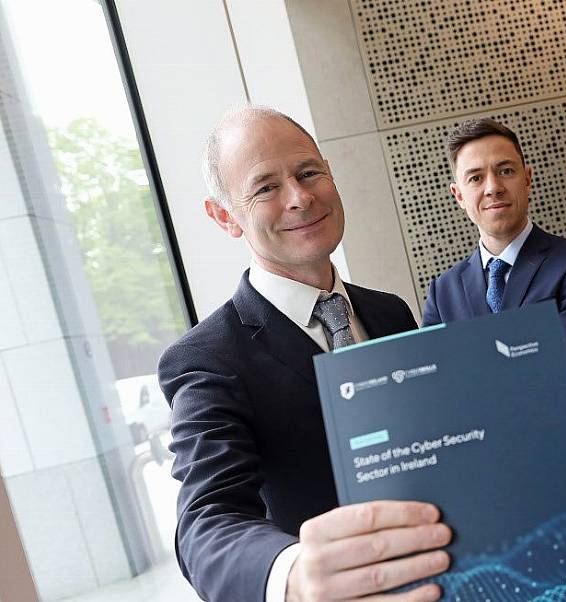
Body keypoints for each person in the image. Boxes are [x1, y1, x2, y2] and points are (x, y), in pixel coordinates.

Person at [159, 106, 453, 602]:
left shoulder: (390, 313)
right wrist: (292, 574)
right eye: (266, 187)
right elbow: (206, 524)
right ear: (225, 216)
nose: (299, 197)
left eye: (308, 172)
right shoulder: (207, 357)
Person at [421, 118, 566, 600]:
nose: (492, 186)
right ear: (458, 195)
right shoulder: (444, 292)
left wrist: (472, 393)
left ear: (527, 178)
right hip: (496, 524)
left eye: (504, 170)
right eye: (476, 177)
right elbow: (434, 401)